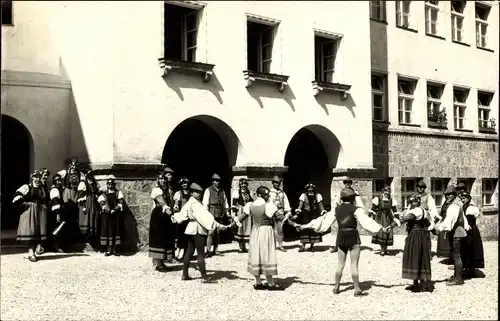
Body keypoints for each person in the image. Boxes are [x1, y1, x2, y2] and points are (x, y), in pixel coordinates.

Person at [295, 188, 386, 296]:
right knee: (354, 265)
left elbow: (323, 222)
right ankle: (357, 289)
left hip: (341, 236)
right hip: (353, 236)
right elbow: (366, 222)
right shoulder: (356, 209)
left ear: (342, 198)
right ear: (352, 198)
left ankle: (336, 287)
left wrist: (305, 225)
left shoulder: (336, 210)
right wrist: (380, 228)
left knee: (340, 263)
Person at [173, 183, 231, 282]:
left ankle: (185, 275)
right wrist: (218, 225)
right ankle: (204, 276)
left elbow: (182, 215)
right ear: (191, 193)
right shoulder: (196, 205)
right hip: (198, 230)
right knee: (200, 253)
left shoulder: (189, 203)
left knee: (189, 252)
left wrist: (175, 217)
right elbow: (205, 218)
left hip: (190, 230)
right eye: (196, 192)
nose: (199, 194)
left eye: (200, 192)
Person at [235, 186, 285, 291]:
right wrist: (293, 223)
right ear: (261, 195)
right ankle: (271, 284)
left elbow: (242, 217)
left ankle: (258, 282)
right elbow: (279, 217)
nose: (268, 196)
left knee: (256, 254)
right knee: (267, 254)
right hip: (265, 231)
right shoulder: (268, 206)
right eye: (266, 194)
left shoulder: (251, 205)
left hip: (255, 231)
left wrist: (231, 224)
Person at [387, 194, 433, 292]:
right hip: (420, 235)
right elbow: (428, 223)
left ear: (418, 202)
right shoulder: (422, 211)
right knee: (418, 257)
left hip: (416, 236)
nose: (413, 203)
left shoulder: (417, 211)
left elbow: (406, 219)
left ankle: (422, 284)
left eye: (414, 201)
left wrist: (392, 225)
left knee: (416, 256)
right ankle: (416, 283)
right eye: (411, 202)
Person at [435, 186, 470, 286]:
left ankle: (458, 278)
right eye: (446, 195)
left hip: (457, 233)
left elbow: (450, 220)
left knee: (457, 256)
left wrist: (439, 228)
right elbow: (464, 219)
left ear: (454, 195)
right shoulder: (458, 203)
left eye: (450, 194)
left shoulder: (454, 206)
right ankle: (456, 275)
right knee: (456, 255)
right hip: (460, 231)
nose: (448, 196)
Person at [12, 170, 48, 262]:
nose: (37, 179)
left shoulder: (41, 188)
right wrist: (24, 204)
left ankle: (35, 251)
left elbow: (44, 200)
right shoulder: (26, 187)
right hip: (29, 212)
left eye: (39, 177)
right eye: (35, 177)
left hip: (39, 211)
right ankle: (31, 253)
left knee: (37, 231)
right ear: (32, 177)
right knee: (30, 231)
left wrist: (44, 209)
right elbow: (16, 196)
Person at [149, 172, 175, 271]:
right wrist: (171, 214)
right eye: (160, 179)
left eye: (164, 179)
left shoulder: (168, 190)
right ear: (158, 180)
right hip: (158, 216)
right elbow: (162, 203)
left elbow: (170, 202)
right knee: (159, 238)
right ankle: (158, 264)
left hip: (166, 216)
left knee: (165, 238)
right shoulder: (156, 190)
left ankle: (162, 263)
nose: (163, 180)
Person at [330, 178, 364, 253]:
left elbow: (358, 201)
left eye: (349, 183)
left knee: (352, 226)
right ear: (344, 184)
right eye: (346, 183)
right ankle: (337, 245)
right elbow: (337, 201)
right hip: (343, 210)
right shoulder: (341, 191)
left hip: (351, 210)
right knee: (341, 228)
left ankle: (352, 244)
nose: (347, 184)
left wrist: (357, 209)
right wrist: (339, 208)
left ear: (351, 183)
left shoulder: (354, 191)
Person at [202, 173, 230, 257]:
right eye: (215, 181)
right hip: (211, 212)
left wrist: (227, 213)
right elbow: (205, 203)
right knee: (211, 232)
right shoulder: (208, 190)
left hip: (220, 212)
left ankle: (216, 249)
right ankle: (208, 250)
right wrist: (206, 214)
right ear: (212, 181)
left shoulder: (222, 191)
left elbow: (225, 203)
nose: (217, 182)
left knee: (218, 232)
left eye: (218, 181)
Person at [460, 191, 485, 279]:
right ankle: (467, 267)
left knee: (471, 248)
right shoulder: (464, 206)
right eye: (462, 199)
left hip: (471, 230)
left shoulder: (471, 208)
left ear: (468, 198)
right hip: (468, 229)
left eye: (464, 198)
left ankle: (471, 270)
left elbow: (469, 220)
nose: (463, 200)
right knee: (467, 249)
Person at [295, 182, 326, 252]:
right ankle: (303, 246)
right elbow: (300, 205)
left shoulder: (317, 195)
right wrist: (298, 211)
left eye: (311, 188)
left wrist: (323, 211)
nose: (310, 189)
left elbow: (320, 204)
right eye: (309, 188)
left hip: (314, 214)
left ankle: (312, 246)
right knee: (304, 229)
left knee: (314, 229)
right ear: (307, 189)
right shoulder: (303, 195)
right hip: (306, 214)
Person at [98, 176, 125, 256]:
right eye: (109, 184)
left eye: (112, 184)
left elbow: (120, 203)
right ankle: (109, 250)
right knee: (108, 232)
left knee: (115, 231)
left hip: (115, 215)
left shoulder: (118, 193)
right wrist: (108, 210)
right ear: (107, 184)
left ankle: (114, 250)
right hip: (107, 216)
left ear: (114, 184)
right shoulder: (104, 194)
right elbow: (102, 204)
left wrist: (115, 209)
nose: (110, 186)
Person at [369, 185, 398, 256]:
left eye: (388, 191)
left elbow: (395, 210)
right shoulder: (378, 199)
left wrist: (397, 218)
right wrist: (368, 217)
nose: (387, 193)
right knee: (382, 232)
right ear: (383, 191)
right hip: (380, 218)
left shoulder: (391, 200)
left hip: (388, 218)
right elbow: (373, 209)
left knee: (388, 232)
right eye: (385, 191)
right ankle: (382, 249)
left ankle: (385, 249)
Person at [268, 175, 291, 252]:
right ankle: (272, 245)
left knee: (280, 229)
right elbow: (268, 202)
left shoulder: (282, 193)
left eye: (279, 183)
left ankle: (280, 245)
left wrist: (287, 211)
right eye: (276, 183)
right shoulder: (269, 192)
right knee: (272, 229)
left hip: (280, 212)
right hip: (272, 213)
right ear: (272, 183)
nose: (277, 184)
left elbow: (286, 202)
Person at [77, 172, 101, 245]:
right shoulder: (83, 184)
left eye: (91, 175)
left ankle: (92, 236)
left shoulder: (94, 183)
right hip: (86, 202)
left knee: (93, 218)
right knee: (86, 219)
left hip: (93, 203)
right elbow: (80, 196)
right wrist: (83, 206)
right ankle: (85, 237)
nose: (90, 176)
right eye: (89, 175)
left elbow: (97, 192)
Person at [231, 177, 254, 253]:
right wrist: (234, 215)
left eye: (245, 183)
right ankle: (241, 247)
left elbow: (252, 201)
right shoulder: (237, 192)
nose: (244, 185)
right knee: (241, 228)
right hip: (240, 211)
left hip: (248, 212)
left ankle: (247, 246)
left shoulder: (249, 192)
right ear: (240, 184)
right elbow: (234, 204)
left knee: (248, 228)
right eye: (242, 183)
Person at [173, 176, 191, 261]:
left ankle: (187, 253)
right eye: (183, 183)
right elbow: (176, 203)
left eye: (186, 183)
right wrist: (176, 207)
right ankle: (179, 252)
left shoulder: (191, 194)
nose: (184, 185)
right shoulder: (178, 193)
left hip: (190, 217)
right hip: (182, 217)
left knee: (189, 236)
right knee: (180, 235)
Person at [48, 174, 66, 253]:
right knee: (56, 229)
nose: (59, 182)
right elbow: (55, 202)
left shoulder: (59, 189)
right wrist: (58, 214)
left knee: (59, 229)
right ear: (54, 181)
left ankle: (57, 246)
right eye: (57, 181)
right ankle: (56, 247)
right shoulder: (54, 190)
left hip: (59, 211)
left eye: (60, 181)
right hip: (55, 212)